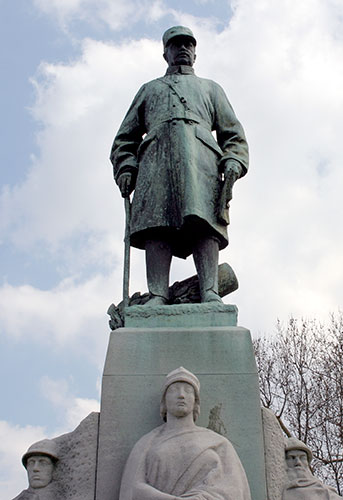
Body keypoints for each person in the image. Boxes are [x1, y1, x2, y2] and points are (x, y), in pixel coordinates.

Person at [111, 26, 249, 305]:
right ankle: (159, 293)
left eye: (188, 45)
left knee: (204, 224)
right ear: (165, 53)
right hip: (156, 164)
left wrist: (234, 158)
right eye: (176, 45)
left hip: (201, 165)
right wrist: (126, 166)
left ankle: (210, 290)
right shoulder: (149, 90)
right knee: (156, 226)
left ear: (196, 52)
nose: (183, 49)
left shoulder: (211, 89)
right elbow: (125, 138)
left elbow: (233, 135)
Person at [119, 367, 251, 500]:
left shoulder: (218, 443)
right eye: (173, 390)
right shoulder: (147, 443)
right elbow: (133, 488)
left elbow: (234, 490)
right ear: (164, 401)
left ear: (195, 402)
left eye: (188, 391)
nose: (181, 395)